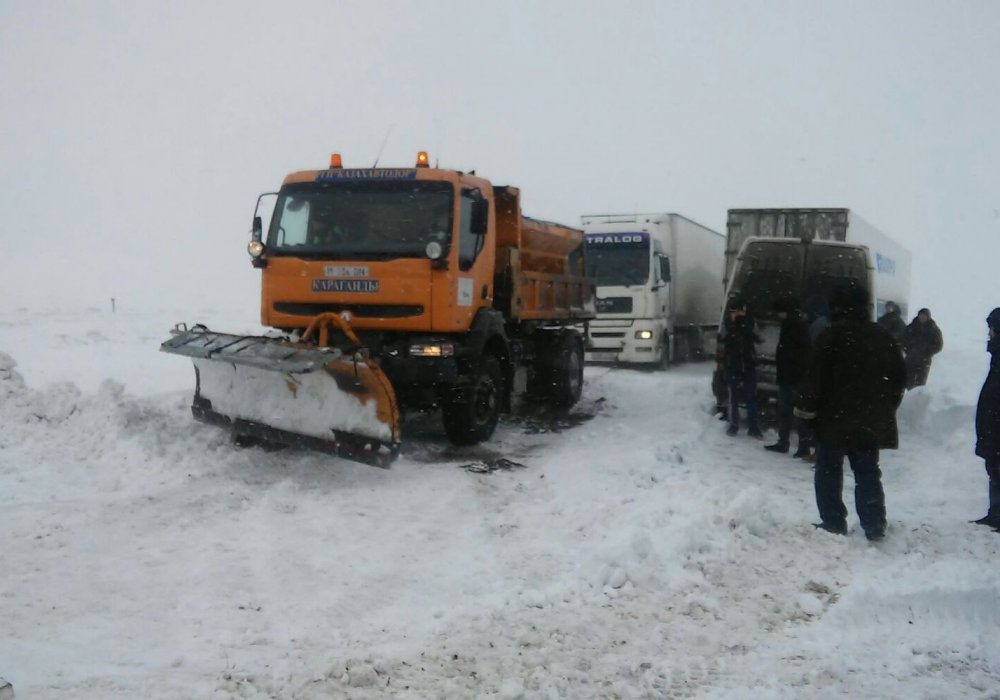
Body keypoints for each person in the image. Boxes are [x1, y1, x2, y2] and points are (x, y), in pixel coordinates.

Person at [794, 281, 906, 541]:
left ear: (838, 306)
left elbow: (814, 379)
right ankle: (874, 523)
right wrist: (885, 407)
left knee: (828, 470)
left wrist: (805, 412)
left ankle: (833, 521)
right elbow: (899, 379)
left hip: (833, 420)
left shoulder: (830, 336)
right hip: (869, 422)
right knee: (867, 472)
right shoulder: (883, 337)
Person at [765, 296, 813, 457]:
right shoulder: (796, 323)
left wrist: (789, 368)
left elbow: (794, 353)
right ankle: (796, 444)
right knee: (794, 412)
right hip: (792, 376)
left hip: (792, 376)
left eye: (778, 312)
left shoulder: (794, 325)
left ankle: (792, 444)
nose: (777, 316)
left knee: (792, 412)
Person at [972, 308, 1000, 529]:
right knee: (994, 467)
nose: (988, 333)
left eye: (991, 328)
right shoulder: (997, 355)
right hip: (993, 424)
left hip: (996, 424)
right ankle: (996, 512)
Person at [722, 296, 763, 438]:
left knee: (750, 397)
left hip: (746, 364)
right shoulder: (728, 323)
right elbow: (722, 340)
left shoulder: (750, 323)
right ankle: (734, 425)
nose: (737, 315)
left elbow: (758, 339)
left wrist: (746, 330)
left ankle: (753, 427)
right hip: (734, 364)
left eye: (739, 312)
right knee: (734, 397)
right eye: (735, 312)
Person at [903, 307, 943, 389]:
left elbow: (939, 345)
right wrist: (909, 350)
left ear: (928, 317)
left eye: (924, 316)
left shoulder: (934, 330)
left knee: (920, 385)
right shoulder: (911, 327)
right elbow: (903, 339)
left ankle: (917, 400)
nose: (922, 318)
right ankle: (907, 400)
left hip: (924, 362)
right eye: (920, 316)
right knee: (906, 382)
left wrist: (927, 352)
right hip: (910, 359)